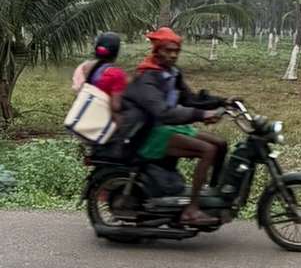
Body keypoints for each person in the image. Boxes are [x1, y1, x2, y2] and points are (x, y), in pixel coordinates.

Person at [120, 27, 227, 227]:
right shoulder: (147, 77)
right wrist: (201, 115)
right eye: (168, 50)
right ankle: (192, 210)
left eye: (176, 51)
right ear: (157, 50)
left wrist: (223, 102)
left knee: (221, 144)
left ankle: (212, 195)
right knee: (208, 150)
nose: (172, 55)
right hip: (147, 133)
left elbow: (190, 99)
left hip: (168, 128)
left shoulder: (171, 74)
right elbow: (162, 112)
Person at [72, 33, 129, 124]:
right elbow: (116, 106)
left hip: (83, 119)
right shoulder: (116, 74)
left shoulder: (83, 67)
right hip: (101, 126)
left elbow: (77, 90)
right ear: (116, 52)